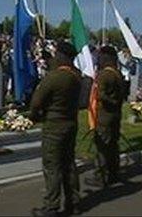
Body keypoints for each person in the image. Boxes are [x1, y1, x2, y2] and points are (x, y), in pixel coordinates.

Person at [29, 42, 82, 217]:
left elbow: (36, 103)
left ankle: (51, 207)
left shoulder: (54, 77)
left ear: (62, 56)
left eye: (56, 54)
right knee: (69, 165)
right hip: (71, 124)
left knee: (52, 166)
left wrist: (34, 116)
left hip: (54, 126)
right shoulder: (76, 76)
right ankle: (73, 203)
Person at [85, 46, 124, 188]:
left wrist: (97, 96)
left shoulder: (104, 75)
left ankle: (100, 176)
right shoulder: (117, 73)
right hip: (115, 115)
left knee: (102, 147)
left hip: (104, 116)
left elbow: (100, 95)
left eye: (100, 57)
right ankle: (114, 173)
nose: (98, 59)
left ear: (106, 58)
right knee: (113, 145)